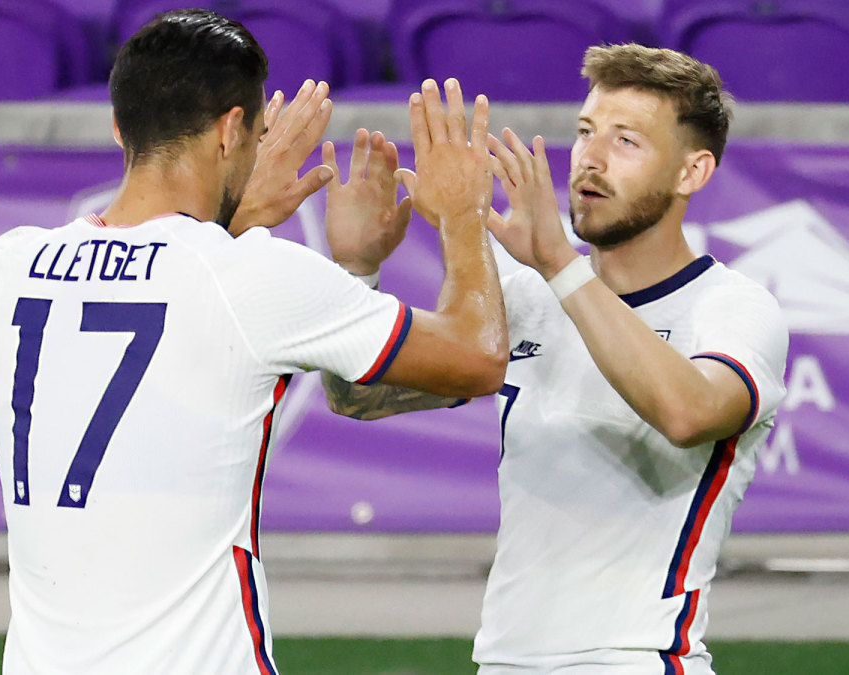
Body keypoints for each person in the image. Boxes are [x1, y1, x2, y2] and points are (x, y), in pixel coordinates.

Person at [0, 9, 505, 673]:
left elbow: (165, 285)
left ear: (120, 125)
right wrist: (462, 212)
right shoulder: (250, 279)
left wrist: (245, 217)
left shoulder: (8, 266)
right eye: (253, 133)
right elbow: (477, 357)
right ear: (230, 130)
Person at [323, 43, 789, 674]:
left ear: (692, 173)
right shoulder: (528, 294)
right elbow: (357, 399)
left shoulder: (734, 308)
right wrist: (357, 270)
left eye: (626, 141)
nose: (590, 160)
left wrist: (558, 265)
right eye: (586, 132)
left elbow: (687, 412)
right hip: (503, 664)